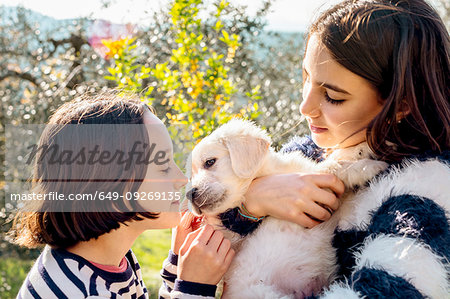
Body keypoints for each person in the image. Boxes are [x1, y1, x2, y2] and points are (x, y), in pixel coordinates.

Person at [230, 0, 449, 297]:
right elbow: (193, 244)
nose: (304, 107)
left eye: (332, 96)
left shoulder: (426, 191)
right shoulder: (307, 154)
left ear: (402, 104)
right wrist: (251, 203)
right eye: (306, 78)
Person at [13, 92, 235, 298]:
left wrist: (177, 266)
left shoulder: (108, 259)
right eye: (163, 165)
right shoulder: (77, 291)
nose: (182, 179)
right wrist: (193, 289)